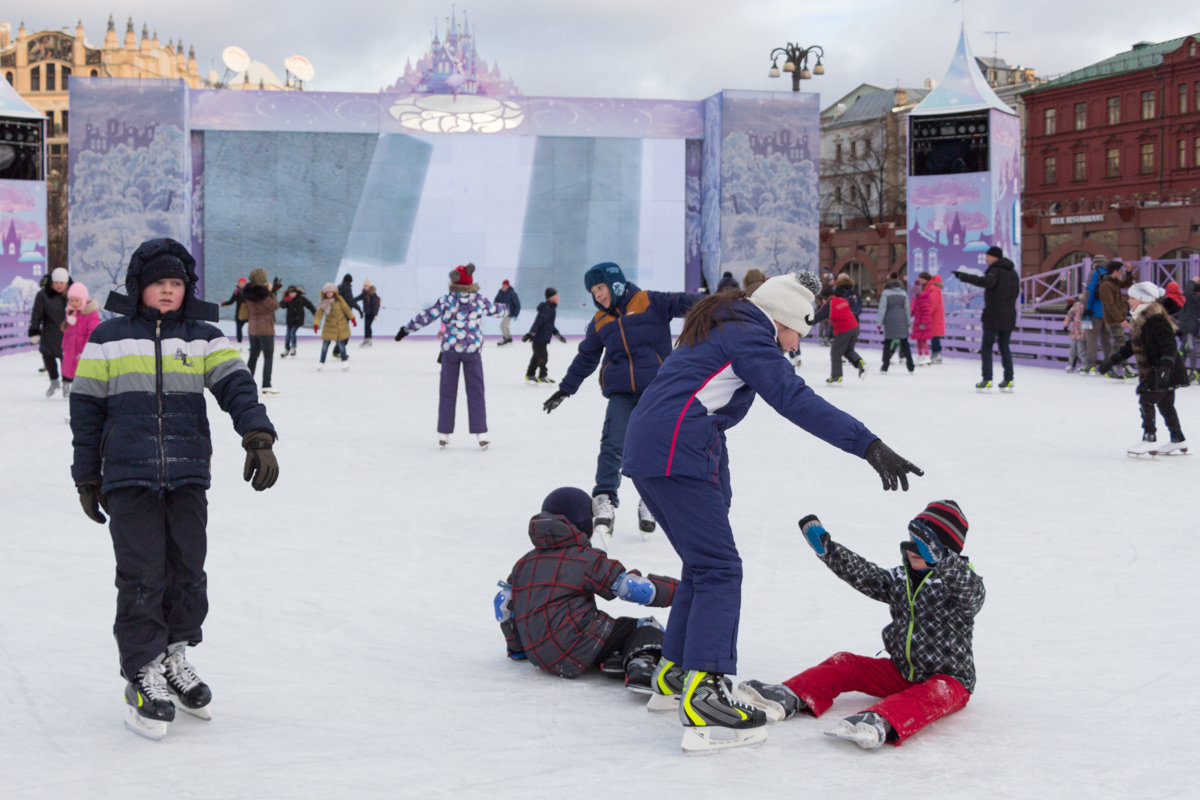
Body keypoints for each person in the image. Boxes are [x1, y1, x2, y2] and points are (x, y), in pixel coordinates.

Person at [620, 272, 924, 753]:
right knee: (721, 569)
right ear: (782, 318)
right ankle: (705, 697)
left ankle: (675, 673)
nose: (797, 343)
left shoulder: (727, 322)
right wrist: (867, 444)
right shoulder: (749, 334)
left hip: (656, 448)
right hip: (675, 451)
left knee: (702, 565)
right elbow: (793, 398)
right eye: (800, 331)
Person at [69, 237, 278, 740]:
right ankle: (142, 671)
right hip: (127, 475)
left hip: (186, 474)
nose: (167, 292)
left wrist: (257, 434)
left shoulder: (203, 336)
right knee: (142, 572)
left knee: (186, 569)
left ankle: (173, 656)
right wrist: (86, 473)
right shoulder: (108, 337)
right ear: (140, 287)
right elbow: (87, 409)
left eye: (176, 284)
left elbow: (236, 384)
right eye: (159, 284)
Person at [737, 500, 985, 750]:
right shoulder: (901, 579)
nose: (915, 549)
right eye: (914, 542)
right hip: (902, 672)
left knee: (932, 693)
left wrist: (943, 562)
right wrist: (829, 551)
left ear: (945, 551)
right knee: (847, 663)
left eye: (925, 545)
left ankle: (881, 719)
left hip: (950, 681)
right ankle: (791, 694)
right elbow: (867, 576)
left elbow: (972, 592)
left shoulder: (961, 586)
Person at [541, 261, 702, 541]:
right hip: (621, 393)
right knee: (613, 444)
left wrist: (725, 305)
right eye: (593, 291)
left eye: (600, 288)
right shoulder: (601, 321)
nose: (598, 295)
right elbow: (586, 357)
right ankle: (604, 498)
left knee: (657, 446)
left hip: (657, 392)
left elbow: (688, 302)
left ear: (615, 284)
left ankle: (651, 501)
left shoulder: (649, 301)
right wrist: (565, 389)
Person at [495, 486, 679, 692]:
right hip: (577, 645)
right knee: (645, 627)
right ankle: (642, 666)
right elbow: (632, 588)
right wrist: (682, 592)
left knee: (610, 629)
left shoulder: (524, 563)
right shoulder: (583, 558)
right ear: (582, 523)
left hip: (538, 656)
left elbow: (505, 605)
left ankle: (614, 658)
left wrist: (517, 647)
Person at [394, 264, 508, 449]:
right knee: (476, 392)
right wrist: (506, 306)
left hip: (450, 351)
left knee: (447, 391)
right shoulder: (478, 300)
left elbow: (426, 315)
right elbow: (499, 311)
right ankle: (481, 433)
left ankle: (444, 433)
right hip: (472, 351)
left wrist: (406, 330)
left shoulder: (447, 300)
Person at [1097, 282, 1190, 455]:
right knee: (1166, 405)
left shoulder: (1155, 319)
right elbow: (1131, 346)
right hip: (1161, 369)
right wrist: (1111, 362)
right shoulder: (1142, 318)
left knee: (1146, 398)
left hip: (1163, 369)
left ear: (1142, 299)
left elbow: (1169, 345)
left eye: (1132, 298)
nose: (1129, 301)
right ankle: (1178, 439)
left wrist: (1165, 368)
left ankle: (1149, 439)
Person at [953, 246, 1019, 391]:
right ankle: (1009, 379)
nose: (986, 259)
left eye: (987, 256)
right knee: (1004, 347)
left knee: (987, 347)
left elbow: (986, 282)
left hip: (994, 316)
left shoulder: (995, 271)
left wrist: (964, 277)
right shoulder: (1013, 273)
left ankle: (987, 379)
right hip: (1008, 316)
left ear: (995, 257)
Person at [809, 285, 866, 383]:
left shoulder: (828, 305)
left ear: (825, 298)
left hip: (844, 330)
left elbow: (818, 317)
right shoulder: (842, 300)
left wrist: (807, 322)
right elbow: (851, 301)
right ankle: (859, 362)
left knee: (835, 352)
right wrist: (853, 298)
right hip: (854, 327)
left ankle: (836, 377)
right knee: (848, 350)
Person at [28, 266, 71, 396]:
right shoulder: (43, 295)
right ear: (52, 282)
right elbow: (37, 314)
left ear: (66, 283)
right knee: (47, 355)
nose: (59, 285)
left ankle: (66, 384)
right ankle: (54, 381)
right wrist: (34, 330)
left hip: (67, 333)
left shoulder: (72, 294)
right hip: (49, 331)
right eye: (56, 282)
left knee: (67, 360)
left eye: (62, 283)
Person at [60, 282, 102, 401]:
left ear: (83, 300)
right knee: (69, 370)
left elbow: (92, 333)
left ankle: (83, 391)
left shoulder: (91, 314)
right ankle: (68, 386)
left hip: (83, 350)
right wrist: (64, 347)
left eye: (76, 300)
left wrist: (86, 350)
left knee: (83, 372)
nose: (73, 303)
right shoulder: (71, 313)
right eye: (71, 300)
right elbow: (67, 333)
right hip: (70, 349)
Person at [243, 269, 282, 393]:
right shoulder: (264, 294)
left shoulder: (248, 292)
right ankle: (266, 384)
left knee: (253, 356)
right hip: (265, 329)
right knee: (268, 357)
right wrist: (271, 292)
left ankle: (246, 382)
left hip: (253, 329)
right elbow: (275, 306)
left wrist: (270, 291)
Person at [1096, 260, 1136, 380]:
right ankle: (1117, 367)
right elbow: (1109, 305)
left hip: (1117, 318)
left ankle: (1113, 367)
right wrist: (1120, 319)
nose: (1121, 273)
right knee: (1120, 344)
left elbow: (1126, 284)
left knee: (1119, 344)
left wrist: (1129, 273)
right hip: (1113, 319)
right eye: (1121, 271)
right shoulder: (1106, 285)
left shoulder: (1113, 282)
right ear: (1116, 271)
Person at [522, 287, 566, 383]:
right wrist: (531, 333)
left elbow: (550, 325)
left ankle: (530, 374)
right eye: (556, 296)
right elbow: (538, 322)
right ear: (551, 297)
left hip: (542, 338)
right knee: (543, 357)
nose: (558, 297)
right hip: (539, 338)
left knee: (537, 357)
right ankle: (542, 376)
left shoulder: (551, 308)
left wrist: (558, 335)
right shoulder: (547, 308)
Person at [313, 282, 356, 370]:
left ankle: (344, 362)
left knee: (341, 345)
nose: (329, 294)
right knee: (325, 345)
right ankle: (321, 362)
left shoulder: (339, 300)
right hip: (329, 327)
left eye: (331, 292)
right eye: (327, 292)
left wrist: (352, 318)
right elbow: (318, 314)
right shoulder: (323, 302)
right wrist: (316, 324)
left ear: (334, 292)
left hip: (340, 325)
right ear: (325, 293)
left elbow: (346, 309)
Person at [877, 276, 914, 373]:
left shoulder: (885, 293)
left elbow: (882, 308)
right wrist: (909, 322)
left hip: (890, 321)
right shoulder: (903, 293)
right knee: (905, 343)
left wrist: (879, 322)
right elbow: (907, 310)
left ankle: (885, 366)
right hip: (902, 320)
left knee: (887, 343)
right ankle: (910, 366)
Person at [279, 285, 316, 358]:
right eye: (290, 293)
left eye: (293, 293)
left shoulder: (301, 298)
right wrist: (285, 300)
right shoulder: (288, 299)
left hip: (298, 320)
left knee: (292, 333)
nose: (292, 294)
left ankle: (293, 347)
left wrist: (314, 312)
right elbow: (281, 305)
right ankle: (286, 349)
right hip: (290, 320)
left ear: (296, 292)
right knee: (287, 335)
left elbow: (309, 305)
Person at [1177, 277, 1200, 381]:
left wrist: (1192, 281)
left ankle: (1193, 371)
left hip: (1190, 327)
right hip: (1187, 326)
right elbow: (1184, 312)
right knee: (1183, 349)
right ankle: (1180, 371)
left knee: (1190, 348)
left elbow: (1187, 292)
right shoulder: (1193, 299)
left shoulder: (1195, 298)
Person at [219, 276, 249, 345]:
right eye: (240, 282)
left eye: (242, 282)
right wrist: (224, 303)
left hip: (248, 313)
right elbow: (231, 301)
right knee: (238, 328)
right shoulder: (236, 292)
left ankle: (253, 343)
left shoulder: (248, 291)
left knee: (251, 329)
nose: (241, 284)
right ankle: (239, 342)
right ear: (238, 283)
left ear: (245, 283)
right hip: (239, 313)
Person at [1062, 293, 1087, 372]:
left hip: (1082, 332)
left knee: (1081, 350)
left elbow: (1089, 319)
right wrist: (1066, 324)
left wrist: (1087, 331)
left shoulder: (1088, 306)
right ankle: (1071, 364)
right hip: (1075, 331)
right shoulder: (1077, 305)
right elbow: (1069, 315)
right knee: (1073, 349)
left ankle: (1085, 366)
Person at [353, 279, 382, 347]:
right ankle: (366, 340)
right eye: (365, 286)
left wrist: (375, 314)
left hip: (372, 313)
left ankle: (369, 340)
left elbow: (375, 305)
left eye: (367, 286)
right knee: (366, 326)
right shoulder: (364, 294)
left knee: (368, 326)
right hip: (367, 313)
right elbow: (357, 298)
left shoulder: (373, 294)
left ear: (369, 286)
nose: (365, 287)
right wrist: (350, 300)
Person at [494, 279, 521, 345]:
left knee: (502, 325)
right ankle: (509, 338)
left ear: (508, 286)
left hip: (510, 312)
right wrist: (496, 306)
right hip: (503, 312)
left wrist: (515, 315)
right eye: (503, 285)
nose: (504, 286)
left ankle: (505, 338)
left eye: (505, 285)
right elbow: (496, 300)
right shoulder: (500, 292)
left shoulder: (512, 293)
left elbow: (517, 305)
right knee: (506, 326)